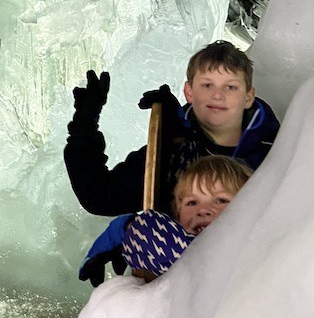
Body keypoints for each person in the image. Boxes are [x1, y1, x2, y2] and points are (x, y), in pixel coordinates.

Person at [64, 40, 279, 216]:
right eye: (207, 85)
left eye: (230, 87)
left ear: (248, 96)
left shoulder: (277, 146)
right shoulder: (174, 152)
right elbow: (101, 197)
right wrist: (84, 124)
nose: (217, 95)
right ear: (189, 92)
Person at [78, 156, 252, 286]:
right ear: (178, 215)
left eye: (221, 200)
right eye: (192, 202)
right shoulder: (178, 246)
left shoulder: (249, 242)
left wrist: (126, 229)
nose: (203, 210)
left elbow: (148, 232)